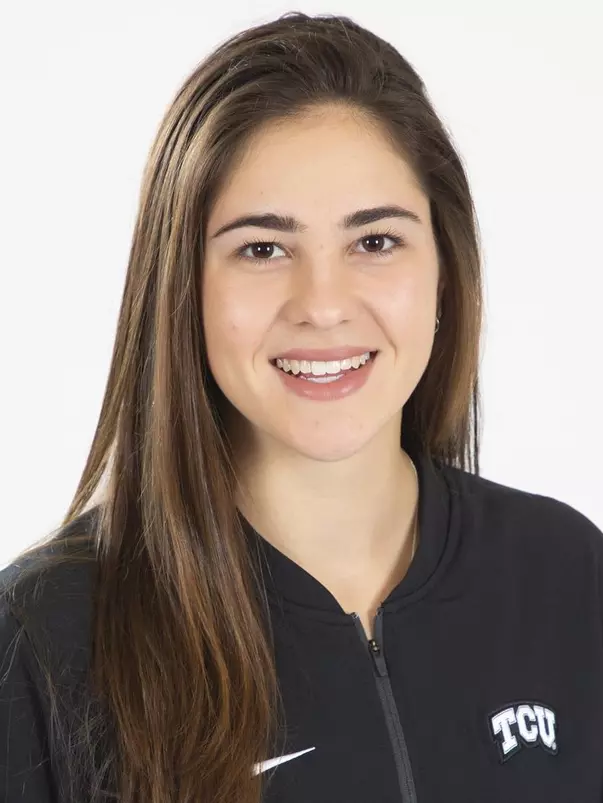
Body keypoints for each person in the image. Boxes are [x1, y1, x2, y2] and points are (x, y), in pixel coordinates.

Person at [1, 10, 602, 803]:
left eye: (375, 241)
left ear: (444, 272)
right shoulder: (42, 638)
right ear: (181, 288)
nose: (322, 305)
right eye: (261, 248)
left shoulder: (564, 574)